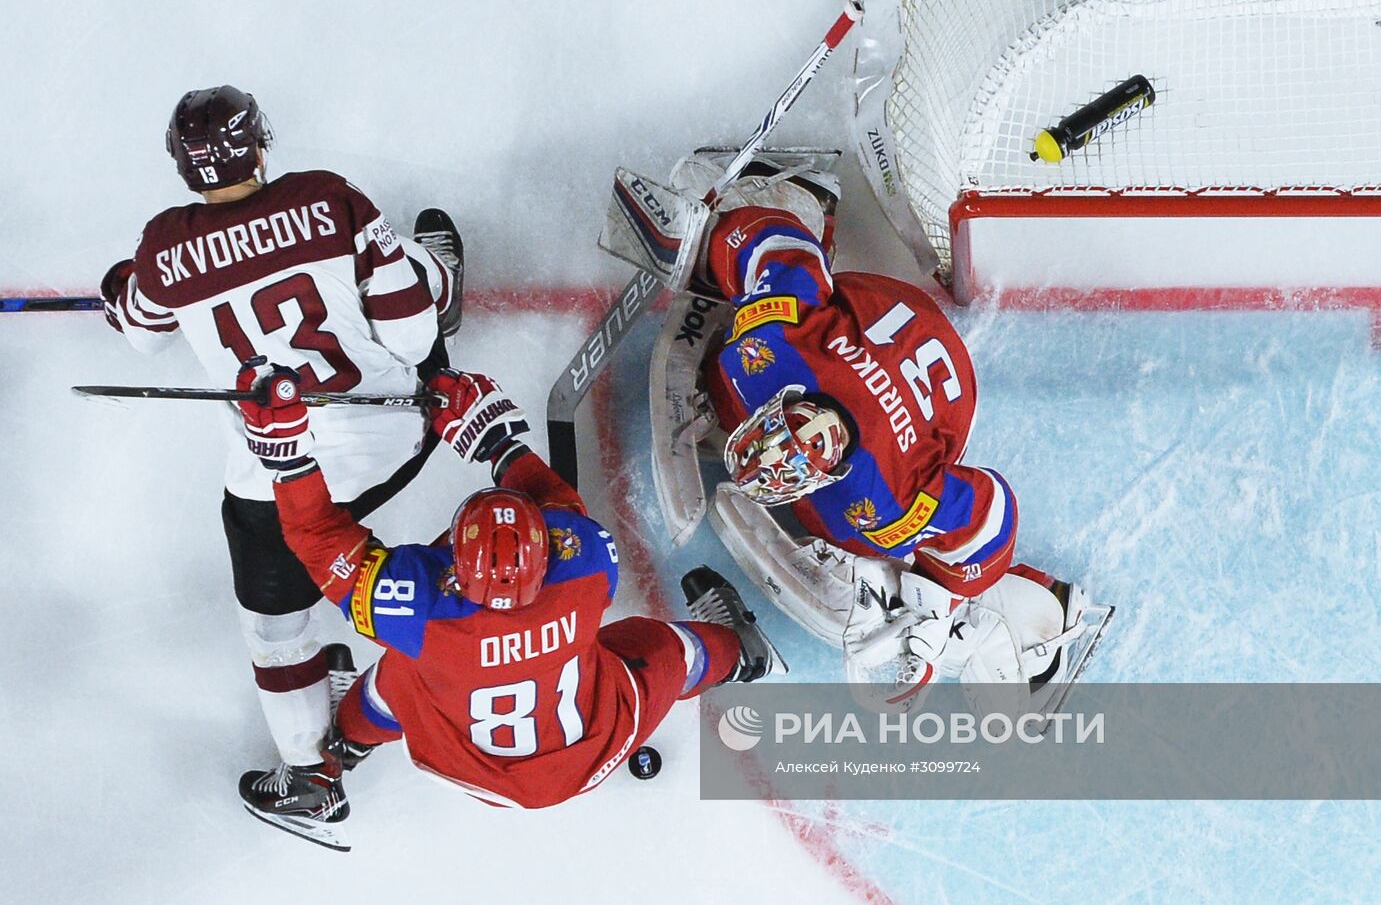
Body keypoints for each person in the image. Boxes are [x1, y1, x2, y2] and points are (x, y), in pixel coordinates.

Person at [232, 362, 784, 848]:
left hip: (480, 768)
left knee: (403, 675)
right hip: (597, 739)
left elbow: (319, 538)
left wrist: (288, 458)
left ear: (452, 565)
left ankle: (334, 762)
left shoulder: (420, 612)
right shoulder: (584, 563)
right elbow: (560, 503)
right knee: (666, 650)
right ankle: (743, 654)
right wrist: (502, 447)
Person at [100, 85, 465, 786]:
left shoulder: (163, 246)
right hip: (399, 435)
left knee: (273, 631)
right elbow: (414, 335)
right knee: (415, 291)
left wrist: (127, 284)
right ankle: (438, 271)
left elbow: (141, 333)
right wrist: (415, 293)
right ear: (261, 143)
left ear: (181, 163)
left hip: (277, 479)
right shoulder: (328, 198)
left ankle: (308, 775)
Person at [684, 163, 1109, 705]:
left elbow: (990, 514)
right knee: (730, 378)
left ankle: (1006, 610)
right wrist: (716, 234)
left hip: (929, 381)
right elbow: (776, 251)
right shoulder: (771, 352)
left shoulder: (885, 495)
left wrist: (937, 600)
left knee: (874, 550)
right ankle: (974, 610)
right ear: (776, 406)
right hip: (880, 340)